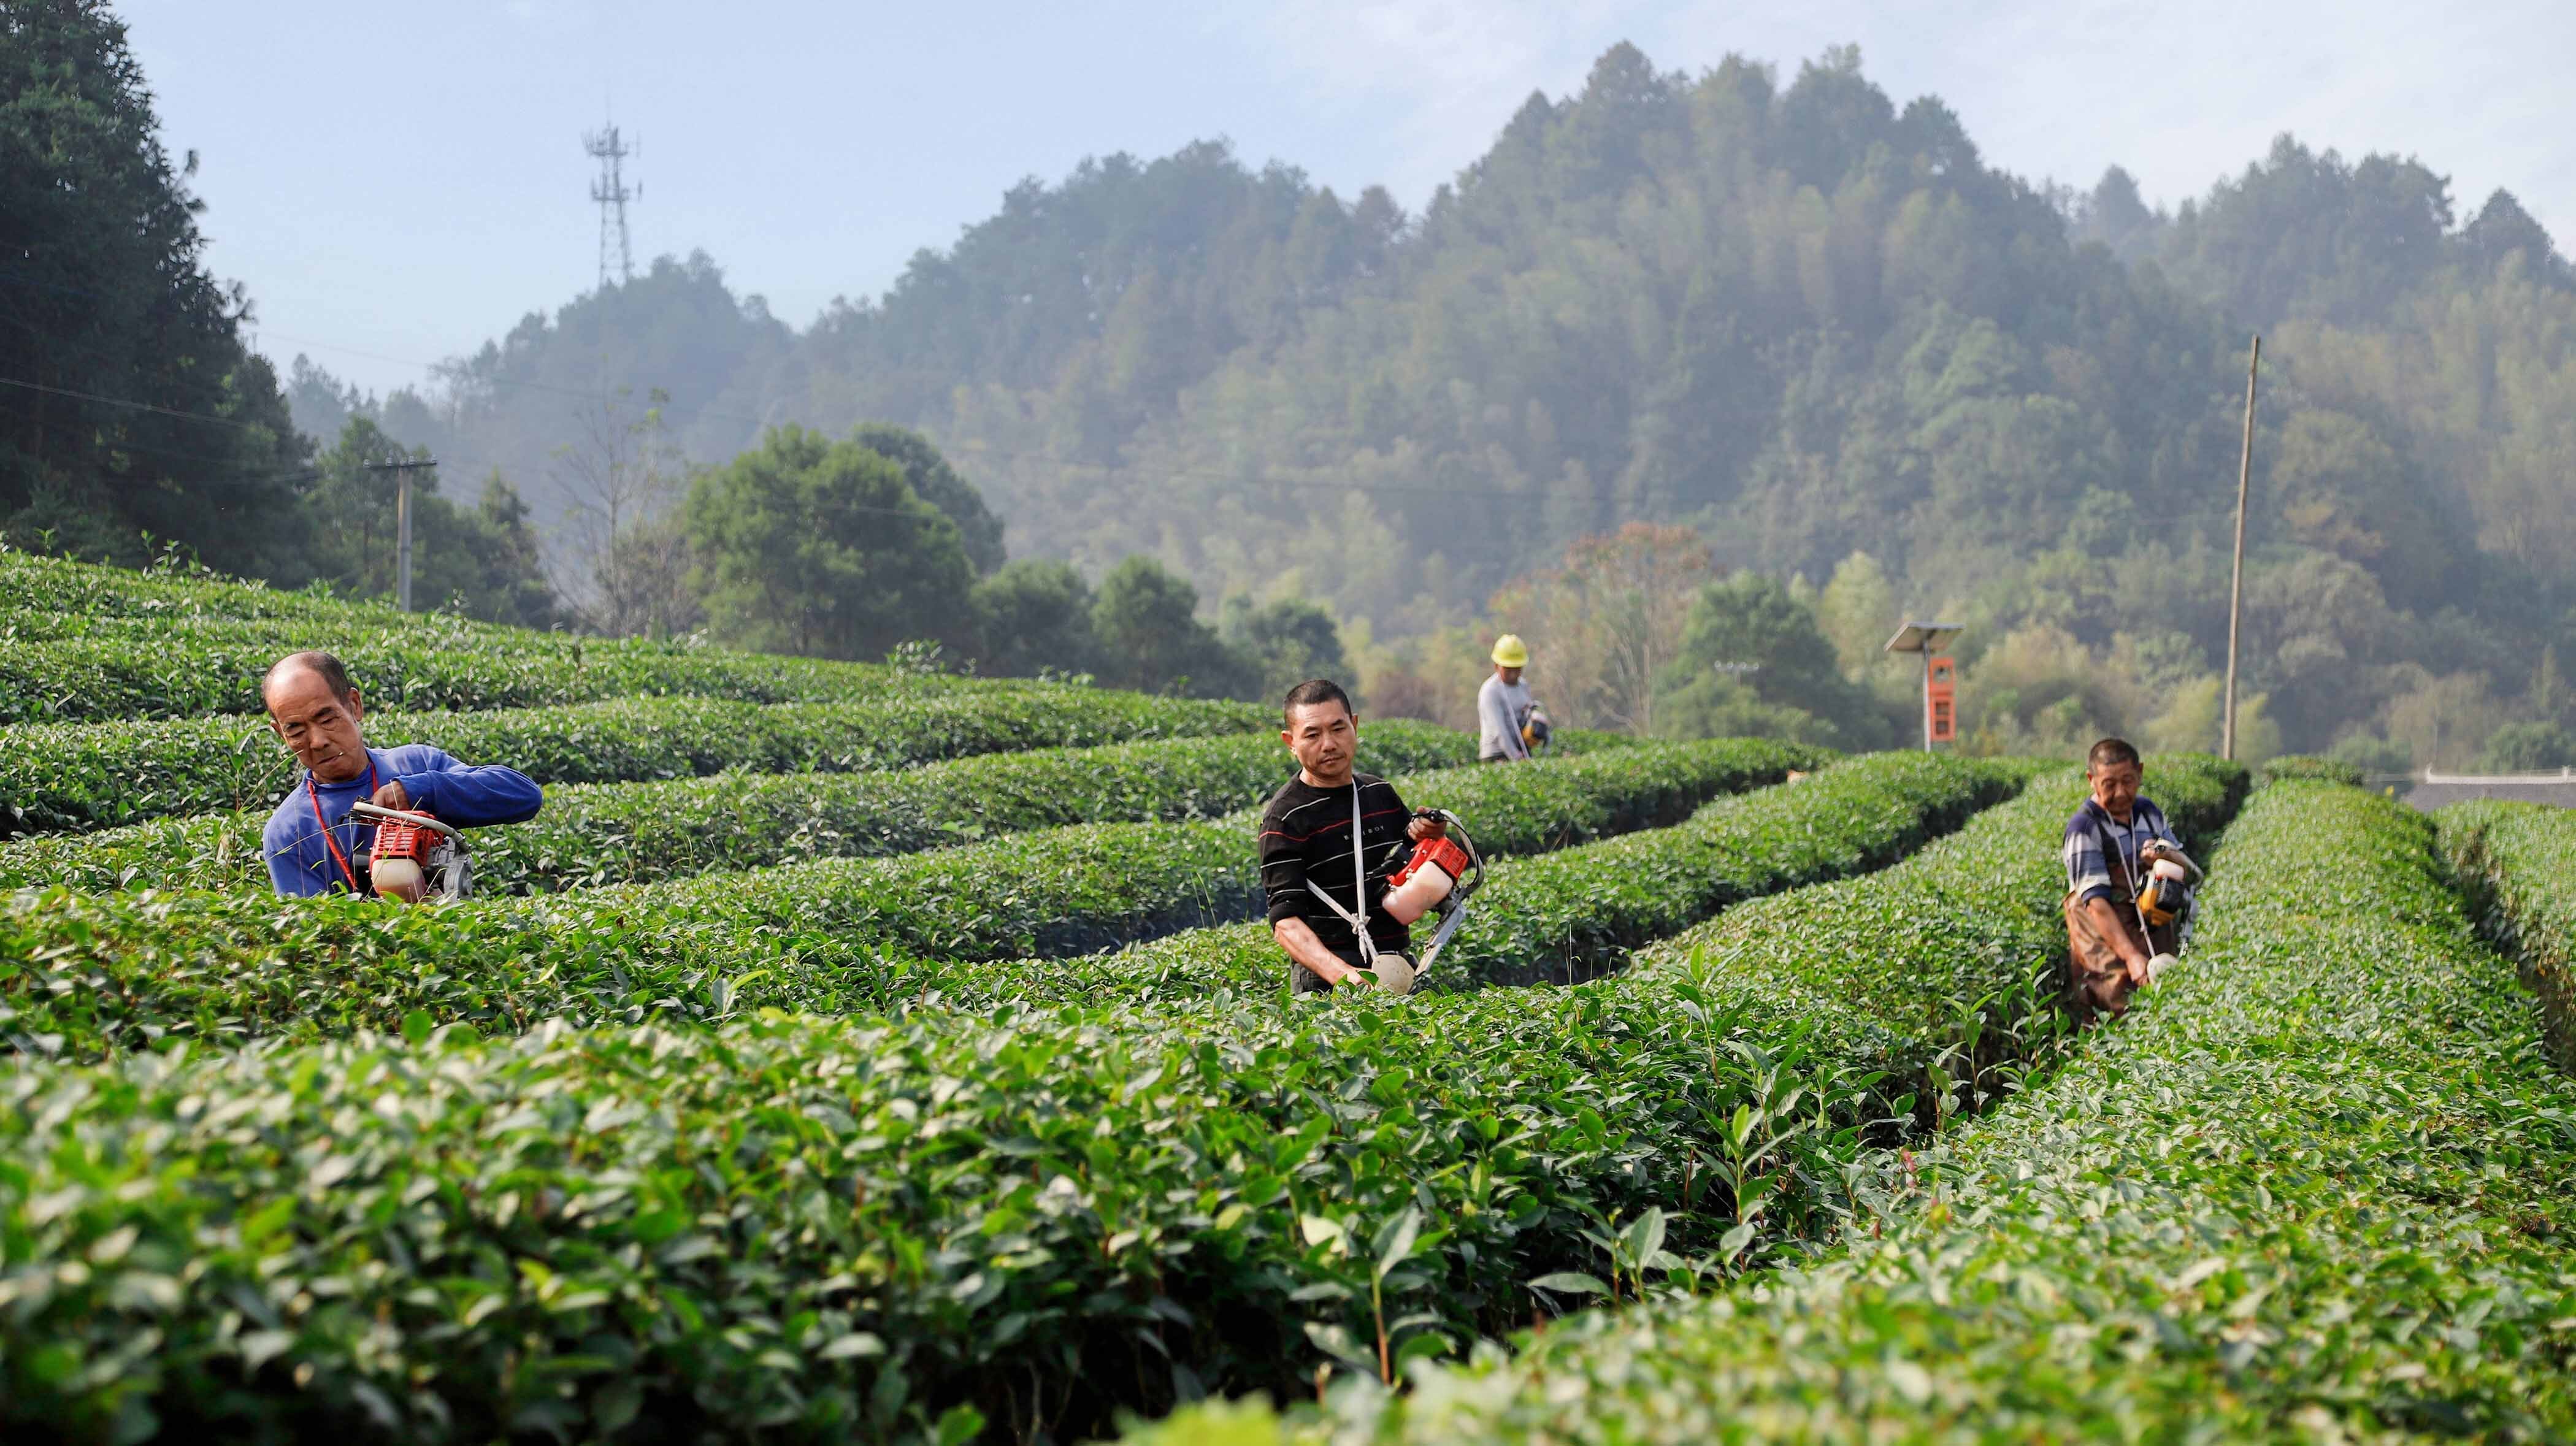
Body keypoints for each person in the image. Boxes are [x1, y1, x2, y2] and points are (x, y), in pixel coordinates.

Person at [258, 650, 543, 900]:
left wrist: (422, 790)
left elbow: (524, 796)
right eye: (296, 730)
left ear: (354, 705)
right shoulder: (288, 831)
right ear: (280, 733)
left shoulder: (415, 765)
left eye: (327, 718)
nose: (317, 741)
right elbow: (316, 938)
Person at [1259, 679, 1468, 995]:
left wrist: (1429, 837)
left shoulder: (1378, 794)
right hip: (1326, 981)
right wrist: (1343, 974)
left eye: (1338, 729)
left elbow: (1404, 863)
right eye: (1312, 735)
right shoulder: (1286, 817)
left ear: (1355, 725)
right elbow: (1285, 923)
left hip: (1394, 965)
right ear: (1290, 741)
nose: (1328, 744)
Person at [2062, 736, 2184, 1020]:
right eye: (2109, 784)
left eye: (2128, 781)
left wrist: (2163, 857)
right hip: (2102, 932)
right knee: (2118, 1007)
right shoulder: (2084, 828)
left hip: (2149, 921)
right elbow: (2096, 905)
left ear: (2140, 773)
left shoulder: (2148, 814)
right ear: (2091, 780)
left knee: (2164, 998)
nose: (2120, 793)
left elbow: (2184, 865)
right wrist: (2131, 957)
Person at [1478, 634, 1540, 762]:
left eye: (1517, 668)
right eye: (1508, 668)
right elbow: (1499, 732)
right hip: (1497, 755)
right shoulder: (1490, 691)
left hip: (1521, 750)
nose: (1513, 673)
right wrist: (1516, 758)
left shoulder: (1523, 685)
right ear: (1497, 666)